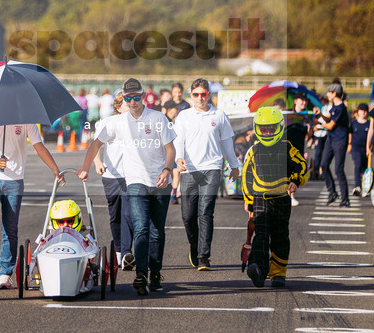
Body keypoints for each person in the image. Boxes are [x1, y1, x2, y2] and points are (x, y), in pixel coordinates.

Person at [77, 77, 176, 296]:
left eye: (136, 97)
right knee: (140, 227)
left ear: (143, 97)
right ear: (124, 98)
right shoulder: (117, 122)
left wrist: (167, 170)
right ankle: (141, 274)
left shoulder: (158, 118)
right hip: (136, 181)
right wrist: (86, 167)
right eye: (128, 98)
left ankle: (156, 273)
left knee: (156, 232)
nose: (132, 102)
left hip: (160, 182)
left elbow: (170, 149)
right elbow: (95, 144)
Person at [0, 122, 65, 290]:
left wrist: (55, 169)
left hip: (15, 180)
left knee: (10, 228)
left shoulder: (27, 121)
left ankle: (5, 274)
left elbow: (39, 147)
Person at [174, 78, 240, 271]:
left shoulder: (219, 115)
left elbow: (227, 142)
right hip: (189, 170)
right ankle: (194, 247)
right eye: (196, 94)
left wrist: (234, 166)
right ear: (191, 95)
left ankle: (203, 256)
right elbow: (179, 141)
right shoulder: (184, 116)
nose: (200, 98)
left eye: (203, 94)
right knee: (188, 216)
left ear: (209, 95)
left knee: (206, 212)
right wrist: (178, 158)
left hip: (212, 168)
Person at [241, 106, 308, 288]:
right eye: (264, 129)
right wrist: (248, 201)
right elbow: (246, 175)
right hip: (260, 200)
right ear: (257, 129)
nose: (268, 132)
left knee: (280, 236)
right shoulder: (254, 151)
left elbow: (302, 166)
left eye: (272, 129)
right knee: (261, 236)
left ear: (279, 128)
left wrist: (295, 180)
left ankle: (278, 274)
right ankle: (259, 271)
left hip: (282, 199)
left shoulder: (287, 148)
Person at [92, 91, 135, 270]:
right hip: (111, 176)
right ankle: (118, 251)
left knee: (127, 214)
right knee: (115, 215)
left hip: (132, 175)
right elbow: (95, 146)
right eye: (127, 103)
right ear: (118, 107)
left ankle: (126, 253)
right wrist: (97, 162)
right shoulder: (105, 123)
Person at [319, 83, 350, 207]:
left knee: (338, 169)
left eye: (329, 92)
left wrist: (318, 124)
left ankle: (345, 198)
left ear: (334, 93)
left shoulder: (341, 108)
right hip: (331, 139)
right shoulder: (333, 107)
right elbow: (328, 119)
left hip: (340, 140)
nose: (327, 94)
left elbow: (331, 125)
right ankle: (332, 192)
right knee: (324, 165)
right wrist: (319, 115)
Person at [348, 103, 370, 197]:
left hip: (366, 148)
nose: (363, 113)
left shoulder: (369, 123)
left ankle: (365, 188)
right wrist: (349, 144)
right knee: (358, 164)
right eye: (361, 110)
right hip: (356, 147)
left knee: (365, 169)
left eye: (365, 111)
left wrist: (370, 148)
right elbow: (350, 134)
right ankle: (357, 186)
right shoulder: (354, 123)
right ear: (358, 112)